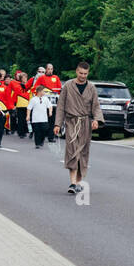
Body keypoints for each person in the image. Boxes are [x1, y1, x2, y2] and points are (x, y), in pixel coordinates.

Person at [56, 61, 103, 194]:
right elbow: (60, 106)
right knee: (72, 150)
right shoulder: (68, 86)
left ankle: (78, 182)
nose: (83, 76)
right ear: (76, 71)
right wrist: (57, 124)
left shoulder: (91, 88)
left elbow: (96, 105)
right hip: (71, 122)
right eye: (81, 73)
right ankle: (72, 183)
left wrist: (96, 120)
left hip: (86, 123)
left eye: (85, 74)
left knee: (83, 152)